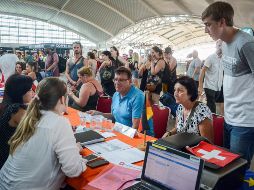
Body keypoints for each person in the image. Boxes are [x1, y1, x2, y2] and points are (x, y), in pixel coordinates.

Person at [0, 77, 87, 189]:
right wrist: (78, 155)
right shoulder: (58, 122)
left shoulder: (30, 115)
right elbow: (73, 170)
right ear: (62, 99)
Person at [202, 1, 254, 167]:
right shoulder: (223, 43)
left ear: (222, 22)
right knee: (226, 168)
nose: (206, 30)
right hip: (229, 118)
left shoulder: (246, 43)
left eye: (208, 25)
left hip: (245, 122)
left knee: (236, 171)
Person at [163, 76, 214, 143]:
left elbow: (208, 143)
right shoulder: (180, 107)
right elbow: (178, 128)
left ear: (190, 93)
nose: (175, 93)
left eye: (180, 90)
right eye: (175, 90)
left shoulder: (202, 112)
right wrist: (169, 133)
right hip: (181, 145)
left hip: (195, 151)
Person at [0, 74, 33, 169]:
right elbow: (35, 131)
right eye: (30, 90)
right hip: (9, 159)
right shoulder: (16, 110)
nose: (33, 93)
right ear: (21, 92)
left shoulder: (6, 104)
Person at [198, 40, 224, 114]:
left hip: (218, 87)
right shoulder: (211, 57)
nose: (221, 48)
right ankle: (211, 122)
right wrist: (200, 86)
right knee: (211, 106)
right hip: (209, 86)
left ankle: (212, 119)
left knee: (216, 104)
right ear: (216, 47)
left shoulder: (224, 58)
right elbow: (203, 71)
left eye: (222, 46)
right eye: (219, 45)